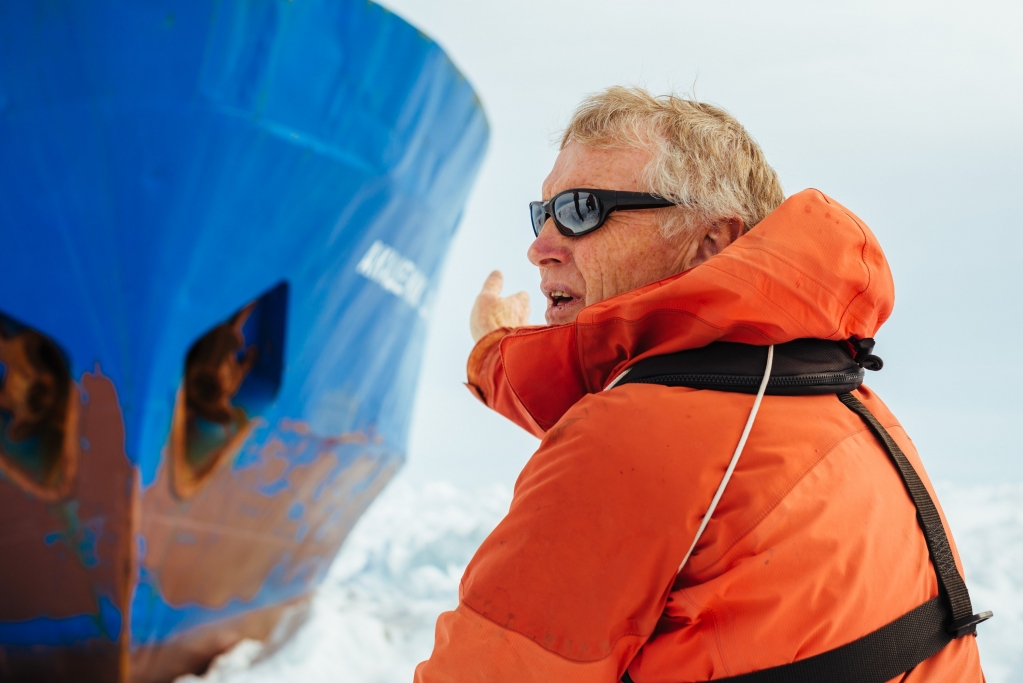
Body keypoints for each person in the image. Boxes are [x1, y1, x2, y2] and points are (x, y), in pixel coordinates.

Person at [415, 87, 986, 682]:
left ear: (710, 241)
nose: (540, 247)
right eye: (543, 214)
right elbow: (643, 425)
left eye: (582, 210)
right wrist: (495, 353)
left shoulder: (629, 441)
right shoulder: (837, 399)